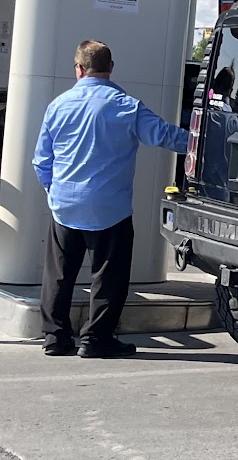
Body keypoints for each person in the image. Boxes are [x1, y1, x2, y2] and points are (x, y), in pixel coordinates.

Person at [32, 39, 189, 358]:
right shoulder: (127, 106)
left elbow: (41, 161)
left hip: (64, 205)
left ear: (78, 69)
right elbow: (167, 136)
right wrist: (208, 142)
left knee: (59, 274)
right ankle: (96, 339)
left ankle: (55, 338)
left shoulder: (58, 105)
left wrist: (54, 192)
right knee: (109, 274)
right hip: (109, 208)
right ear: (111, 67)